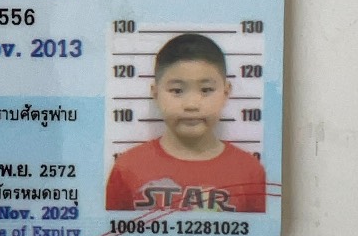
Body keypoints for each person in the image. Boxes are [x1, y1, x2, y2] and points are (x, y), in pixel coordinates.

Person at [105, 32, 267, 213]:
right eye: (177, 90)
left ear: (226, 93)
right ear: (155, 94)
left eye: (206, 90)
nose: (191, 105)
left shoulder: (249, 171)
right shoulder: (128, 168)